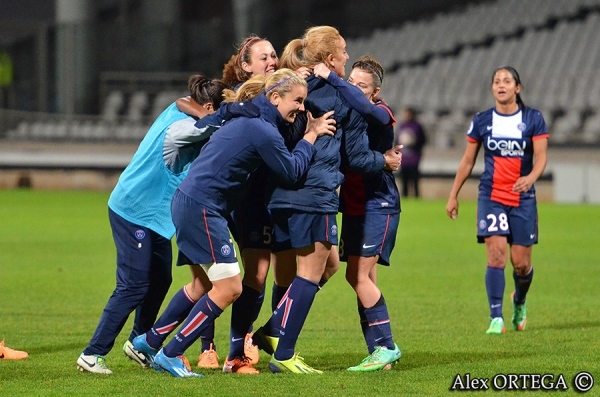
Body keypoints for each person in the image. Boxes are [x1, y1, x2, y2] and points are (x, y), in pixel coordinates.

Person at [131, 68, 336, 377]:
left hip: (194, 203)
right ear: (275, 97)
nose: (302, 108)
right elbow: (292, 172)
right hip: (202, 207)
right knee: (229, 287)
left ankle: (149, 341)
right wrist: (310, 136)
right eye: (297, 100)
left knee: (204, 284)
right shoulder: (263, 130)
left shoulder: (249, 120)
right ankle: (171, 353)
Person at [254, 26, 402, 375]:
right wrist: (386, 160)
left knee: (325, 267)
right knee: (312, 274)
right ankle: (285, 351)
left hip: (279, 193)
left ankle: (274, 332)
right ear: (330, 59)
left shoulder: (289, 86)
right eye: (344, 52)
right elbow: (357, 158)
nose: (348, 57)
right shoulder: (341, 101)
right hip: (316, 194)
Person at [76, 75, 239, 375]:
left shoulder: (183, 109)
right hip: (134, 210)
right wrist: (236, 112)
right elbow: (207, 125)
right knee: (133, 285)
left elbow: (192, 108)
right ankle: (92, 354)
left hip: (156, 216)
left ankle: (138, 343)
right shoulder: (181, 127)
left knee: (161, 279)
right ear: (207, 107)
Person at [313, 55, 402, 371]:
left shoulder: (380, 112)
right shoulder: (349, 112)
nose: (353, 89)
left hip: (377, 204)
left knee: (357, 276)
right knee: (365, 280)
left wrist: (333, 78)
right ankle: (379, 354)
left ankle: (387, 347)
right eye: (351, 81)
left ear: (375, 93)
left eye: (361, 86)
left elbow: (360, 157)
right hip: (353, 207)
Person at [445, 66, 549, 335]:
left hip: (523, 197)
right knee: (496, 256)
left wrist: (532, 177)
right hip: (491, 196)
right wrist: (453, 195)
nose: (501, 85)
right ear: (492, 88)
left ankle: (519, 300)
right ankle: (495, 317)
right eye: (496, 81)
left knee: (521, 263)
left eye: (507, 81)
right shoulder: (482, 121)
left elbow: (541, 158)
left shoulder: (533, 118)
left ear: (518, 88)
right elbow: (468, 160)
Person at [395, 107, 426, 198]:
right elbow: (397, 141)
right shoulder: (402, 126)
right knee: (404, 181)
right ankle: (404, 197)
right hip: (404, 159)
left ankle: (416, 197)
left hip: (414, 158)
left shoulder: (417, 126)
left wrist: (413, 143)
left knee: (414, 180)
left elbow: (423, 140)